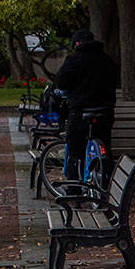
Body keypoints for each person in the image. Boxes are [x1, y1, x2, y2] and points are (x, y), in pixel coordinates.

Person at [50, 28, 120, 178]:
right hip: (105, 112)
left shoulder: (74, 60)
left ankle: (73, 189)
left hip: (81, 111)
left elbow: (61, 82)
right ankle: (105, 183)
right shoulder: (108, 60)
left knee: (76, 151)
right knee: (104, 147)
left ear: (76, 44)